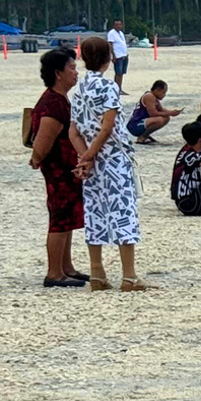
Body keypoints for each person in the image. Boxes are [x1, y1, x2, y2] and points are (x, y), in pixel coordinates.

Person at [72, 36, 148, 291]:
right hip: (113, 158)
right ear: (108, 58)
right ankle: (129, 276)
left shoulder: (78, 90)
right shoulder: (108, 87)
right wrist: (91, 155)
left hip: (91, 159)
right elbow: (108, 127)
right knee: (123, 212)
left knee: (95, 212)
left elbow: (73, 131)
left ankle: (97, 272)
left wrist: (85, 158)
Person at [28, 47, 88, 288]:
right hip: (58, 171)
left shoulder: (60, 99)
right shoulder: (53, 104)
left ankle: (66, 266)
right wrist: (36, 158)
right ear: (58, 73)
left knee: (68, 218)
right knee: (60, 218)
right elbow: (43, 142)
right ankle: (54, 272)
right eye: (71, 68)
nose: (76, 72)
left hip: (67, 170)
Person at [127, 80, 179, 144]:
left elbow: (161, 110)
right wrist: (170, 113)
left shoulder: (154, 98)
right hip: (134, 125)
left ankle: (145, 135)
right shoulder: (149, 96)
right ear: (157, 90)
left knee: (166, 117)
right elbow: (153, 114)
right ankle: (143, 137)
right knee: (159, 120)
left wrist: (173, 112)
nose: (164, 95)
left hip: (141, 123)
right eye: (163, 92)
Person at [106, 20, 130, 90]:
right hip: (117, 56)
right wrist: (113, 56)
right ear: (114, 26)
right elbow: (110, 45)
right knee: (118, 73)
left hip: (124, 55)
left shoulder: (121, 33)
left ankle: (120, 88)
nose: (118, 26)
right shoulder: (111, 33)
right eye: (117, 25)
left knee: (122, 73)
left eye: (120, 24)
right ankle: (116, 88)